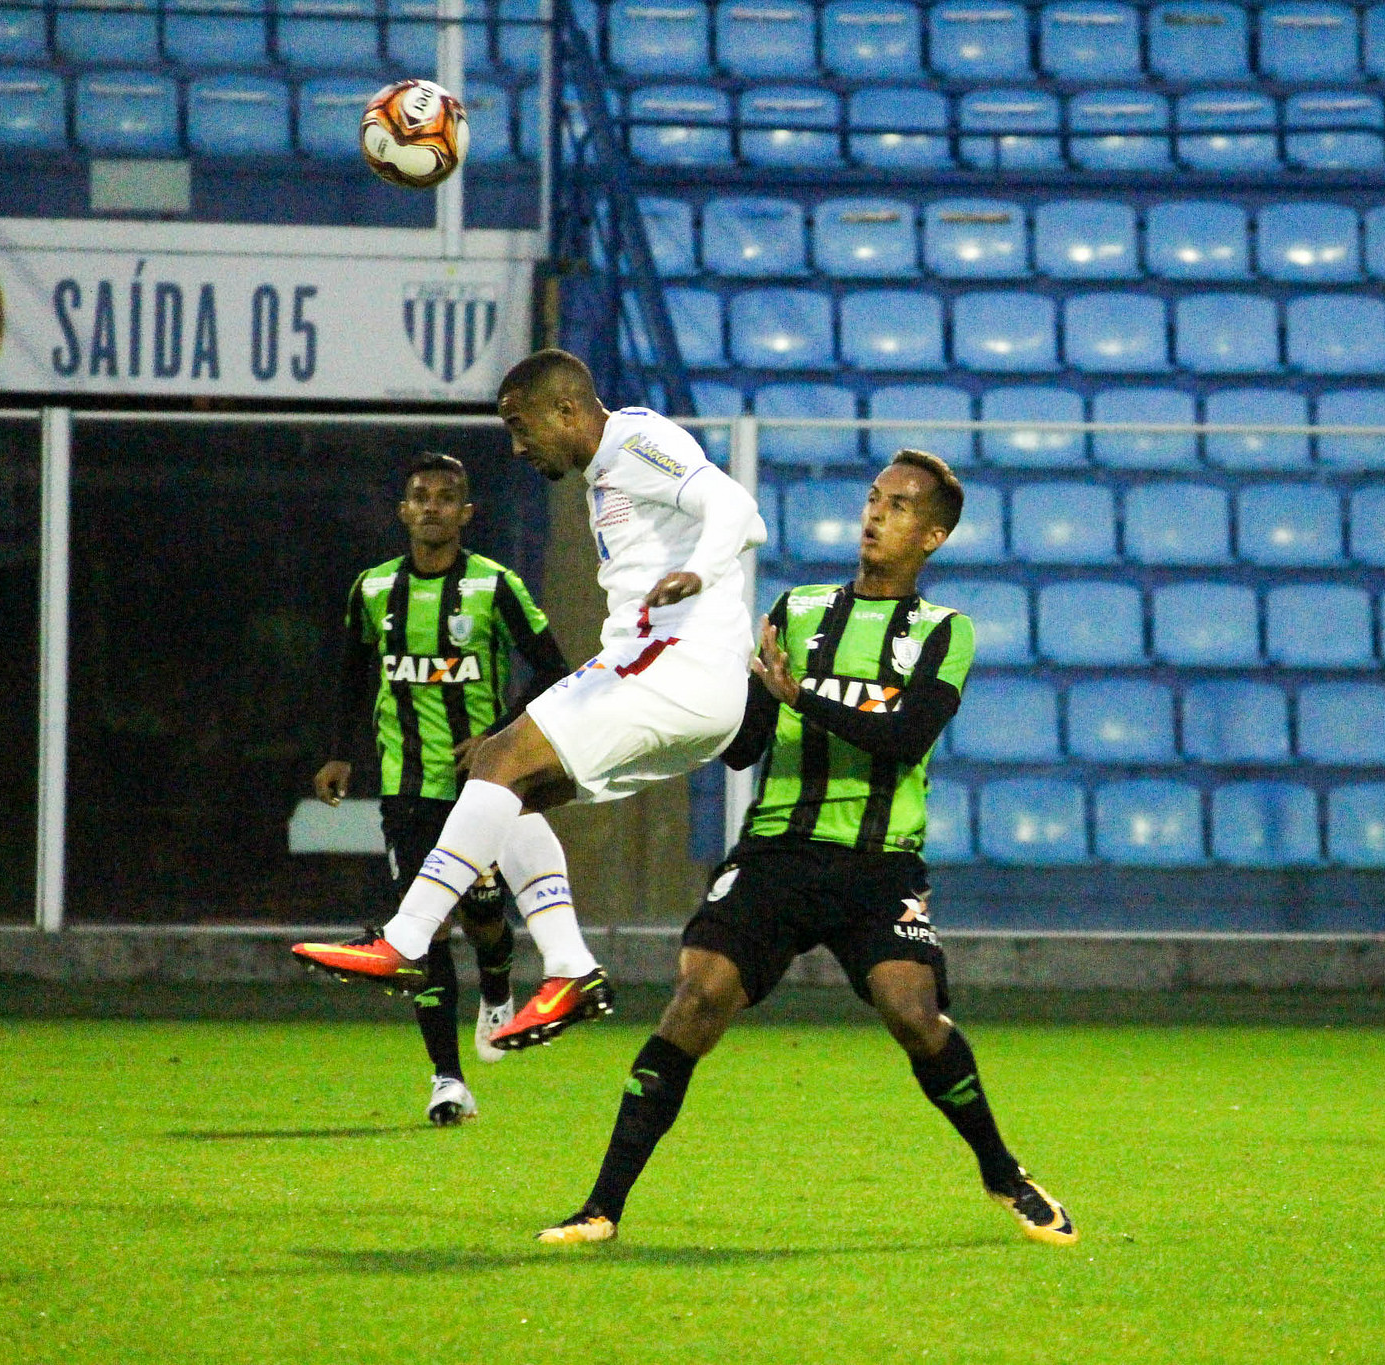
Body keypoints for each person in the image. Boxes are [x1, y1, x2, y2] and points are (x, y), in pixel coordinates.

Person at [536, 451, 1077, 1249]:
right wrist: (711, 687)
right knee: (695, 1000)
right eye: (872, 498)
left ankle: (1002, 1171)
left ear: (931, 535)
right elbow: (747, 746)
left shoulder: (944, 632)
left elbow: (903, 739)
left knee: (914, 1012)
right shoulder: (798, 610)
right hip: (778, 853)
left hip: (878, 862)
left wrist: (803, 695)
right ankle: (600, 1207)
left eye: (897, 507)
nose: (874, 515)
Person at [294, 349, 764, 1055]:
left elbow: (736, 506)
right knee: (503, 789)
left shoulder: (635, 439)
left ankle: (405, 936)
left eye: (521, 426)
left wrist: (697, 571)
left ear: (567, 410)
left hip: (675, 662)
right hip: (681, 682)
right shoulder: (609, 469)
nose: (517, 446)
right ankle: (570, 966)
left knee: (499, 755)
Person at [314, 452, 570, 1125]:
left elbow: (557, 670)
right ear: (403, 511)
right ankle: (447, 1079)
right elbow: (351, 674)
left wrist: (502, 738)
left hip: (480, 791)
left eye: (445, 496)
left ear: (466, 513)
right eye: (420, 496)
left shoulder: (495, 586)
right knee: (422, 935)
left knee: (485, 917)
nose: (431, 506)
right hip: (406, 792)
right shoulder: (372, 590)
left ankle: (497, 977)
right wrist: (340, 754)